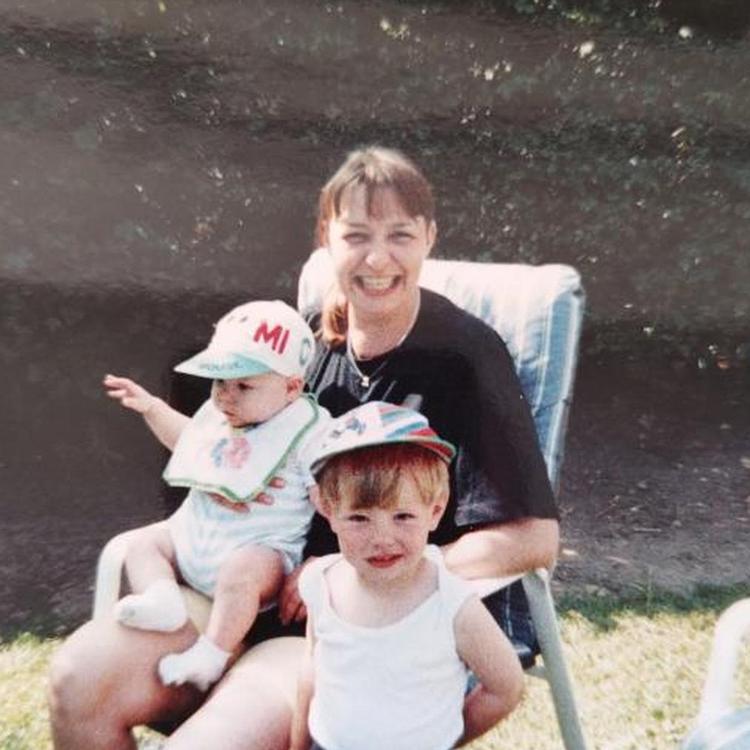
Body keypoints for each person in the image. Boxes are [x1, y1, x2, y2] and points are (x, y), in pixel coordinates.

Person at [48, 146, 559, 750]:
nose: (377, 258)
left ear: (428, 237)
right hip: (243, 592)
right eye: (356, 235)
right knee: (78, 684)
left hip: (346, 627)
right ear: (326, 239)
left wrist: (348, 567)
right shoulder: (302, 341)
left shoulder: (466, 358)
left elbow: (533, 539)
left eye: (399, 235)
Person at [103, 299, 329, 691]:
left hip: (262, 553)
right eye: (220, 382)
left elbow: (328, 493)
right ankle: (162, 600)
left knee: (242, 571)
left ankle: (211, 654)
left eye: (244, 386)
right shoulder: (220, 417)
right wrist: (152, 408)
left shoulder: (306, 430)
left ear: (292, 387)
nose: (226, 396)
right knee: (144, 544)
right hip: (192, 538)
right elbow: (189, 443)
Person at [289, 401, 524, 750]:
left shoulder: (452, 604)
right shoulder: (321, 582)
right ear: (328, 510)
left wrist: (448, 738)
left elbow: (505, 687)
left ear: (435, 511)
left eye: (403, 516)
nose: (382, 538)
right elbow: (312, 670)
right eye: (359, 518)